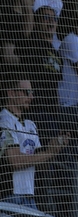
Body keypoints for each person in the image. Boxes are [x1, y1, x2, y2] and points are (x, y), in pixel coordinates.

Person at [0, 75, 69, 208]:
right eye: (27, 92)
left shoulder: (30, 125)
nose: (31, 97)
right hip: (9, 196)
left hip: (29, 197)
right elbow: (15, 161)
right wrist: (48, 153)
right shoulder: (4, 120)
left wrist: (55, 148)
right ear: (12, 93)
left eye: (32, 93)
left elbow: (40, 165)